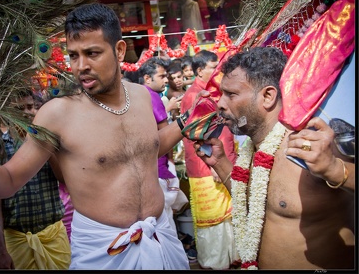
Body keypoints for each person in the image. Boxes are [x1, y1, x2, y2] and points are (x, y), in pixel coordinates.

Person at [0, 2, 190, 270]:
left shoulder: (140, 96)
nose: (81, 66)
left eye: (92, 53)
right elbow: (7, 183)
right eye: (73, 55)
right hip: (103, 250)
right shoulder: (57, 114)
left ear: (119, 50)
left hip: (160, 236)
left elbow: (148, 150)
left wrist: (187, 121)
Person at [195, 47, 355, 269]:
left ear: (268, 96)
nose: (220, 103)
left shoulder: (309, 145)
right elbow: (258, 203)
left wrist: (335, 169)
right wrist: (221, 165)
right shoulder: (253, 147)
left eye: (231, 94)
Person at [0, 88, 71, 269]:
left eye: (31, 107)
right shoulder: (0, 144)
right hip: (17, 241)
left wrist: (45, 144)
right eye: (20, 109)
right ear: (7, 113)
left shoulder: (49, 138)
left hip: (53, 238)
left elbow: (64, 178)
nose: (27, 113)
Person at [180, 49, 239, 269]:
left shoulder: (211, 92)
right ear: (199, 71)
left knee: (226, 219)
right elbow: (199, 135)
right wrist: (214, 167)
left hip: (219, 163)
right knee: (215, 221)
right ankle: (216, 263)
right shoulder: (195, 96)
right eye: (213, 67)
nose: (218, 71)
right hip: (208, 168)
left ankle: (229, 260)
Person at [138, 57, 188, 233]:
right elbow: (165, 136)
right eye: (162, 76)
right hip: (158, 166)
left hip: (144, 166)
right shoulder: (151, 97)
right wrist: (171, 161)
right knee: (164, 221)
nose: (167, 80)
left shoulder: (137, 96)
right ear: (147, 78)